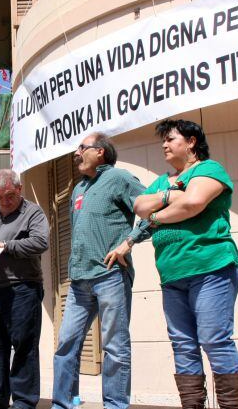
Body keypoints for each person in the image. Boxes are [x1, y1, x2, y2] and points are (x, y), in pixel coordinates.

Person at [134, 119, 238, 409]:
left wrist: (156, 216)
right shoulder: (162, 181)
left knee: (214, 340)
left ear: (192, 141)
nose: (164, 145)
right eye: (163, 142)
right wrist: (169, 195)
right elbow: (139, 206)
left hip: (211, 268)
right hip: (172, 275)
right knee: (182, 345)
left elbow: (192, 204)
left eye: (170, 139)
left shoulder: (209, 169)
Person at [51, 132, 151, 409]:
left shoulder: (119, 179)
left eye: (81, 148)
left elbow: (154, 209)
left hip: (111, 276)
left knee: (115, 347)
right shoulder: (77, 189)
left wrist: (129, 243)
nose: (76, 154)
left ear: (101, 152)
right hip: (79, 281)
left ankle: (115, 405)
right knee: (66, 345)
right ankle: (63, 404)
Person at [0, 169, 49, 409]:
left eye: (9, 195)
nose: (5, 201)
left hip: (22, 290)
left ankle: (24, 402)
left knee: (24, 348)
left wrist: (6, 246)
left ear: (19, 190)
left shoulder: (33, 212)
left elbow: (41, 242)